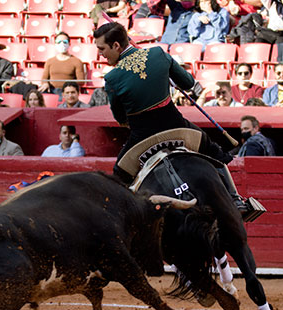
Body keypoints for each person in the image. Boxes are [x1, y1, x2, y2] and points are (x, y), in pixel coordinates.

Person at [93, 22, 236, 195]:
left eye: (102, 49)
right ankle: (235, 198)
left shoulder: (112, 78)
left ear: (116, 45)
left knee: (119, 174)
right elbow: (188, 83)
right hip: (176, 126)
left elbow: (120, 118)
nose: (100, 55)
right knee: (216, 153)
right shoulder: (158, 54)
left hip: (142, 137)